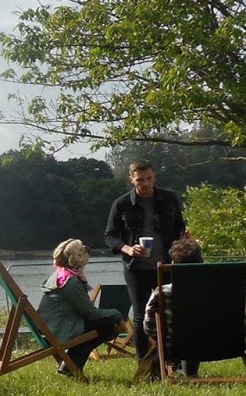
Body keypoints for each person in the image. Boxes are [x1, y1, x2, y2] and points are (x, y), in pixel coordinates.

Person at [104, 159, 189, 361]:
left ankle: (172, 360)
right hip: (136, 268)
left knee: (171, 313)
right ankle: (143, 363)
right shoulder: (122, 204)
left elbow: (179, 227)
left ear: (154, 177)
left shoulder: (169, 199)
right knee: (141, 315)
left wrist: (184, 237)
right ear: (131, 179)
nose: (145, 183)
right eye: (140, 180)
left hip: (166, 265)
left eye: (149, 178)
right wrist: (128, 249)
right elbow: (109, 236)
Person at [36, 238, 125, 375]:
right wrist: (116, 314)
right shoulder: (71, 282)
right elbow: (89, 313)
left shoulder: (61, 275)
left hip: (52, 328)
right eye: (85, 250)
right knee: (107, 324)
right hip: (60, 331)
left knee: (103, 323)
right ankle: (72, 365)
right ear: (80, 259)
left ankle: (70, 365)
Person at [137, 235, 204, 379]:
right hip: (217, 343)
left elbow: (148, 326)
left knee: (186, 335)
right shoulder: (215, 291)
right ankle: (190, 373)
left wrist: (160, 338)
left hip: (172, 346)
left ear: (172, 264)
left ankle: (184, 373)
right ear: (201, 263)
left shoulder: (162, 293)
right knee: (195, 332)